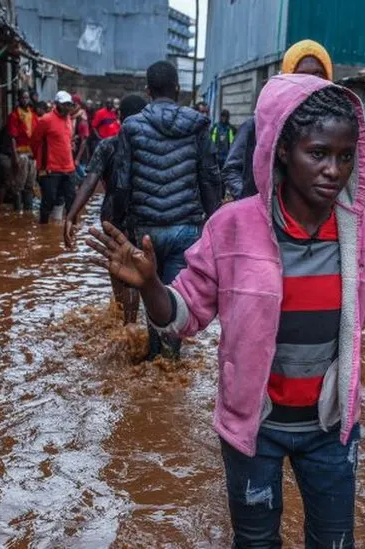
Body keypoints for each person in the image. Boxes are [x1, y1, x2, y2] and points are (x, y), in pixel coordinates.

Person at [87, 74, 365, 546]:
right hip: (252, 429)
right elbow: (185, 316)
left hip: (331, 428)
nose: (333, 171)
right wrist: (154, 284)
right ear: (281, 149)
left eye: (344, 157)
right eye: (317, 153)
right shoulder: (231, 228)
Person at [112, 60, 222, 360]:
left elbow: (121, 183)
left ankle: (152, 359)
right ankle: (169, 362)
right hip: (186, 228)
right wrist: (216, 224)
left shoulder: (131, 127)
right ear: (178, 89)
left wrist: (118, 225)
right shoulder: (198, 124)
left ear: (148, 91)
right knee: (176, 296)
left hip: (144, 229)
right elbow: (210, 177)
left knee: (151, 290)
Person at [64, 94, 147, 324]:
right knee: (137, 271)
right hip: (143, 217)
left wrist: (72, 215)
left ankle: (124, 322)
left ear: (119, 117)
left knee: (117, 267)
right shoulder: (152, 147)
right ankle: (131, 326)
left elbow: (90, 182)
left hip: (112, 217)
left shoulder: (108, 145)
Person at [223, 39, 333, 200]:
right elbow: (231, 169)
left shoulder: (343, 128)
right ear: (288, 78)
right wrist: (250, 202)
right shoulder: (259, 125)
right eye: (301, 75)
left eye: (318, 75)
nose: (311, 82)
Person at [32, 91, 77, 224]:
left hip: (69, 167)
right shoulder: (46, 120)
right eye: (66, 104)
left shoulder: (69, 119)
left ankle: (72, 229)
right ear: (57, 105)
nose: (69, 107)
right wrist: (40, 164)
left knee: (72, 200)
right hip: (51, 168)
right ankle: (44, 229)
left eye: (70, 105)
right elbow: (35, 141)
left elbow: (67, 140)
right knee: (48, 200)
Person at [4, 89, 39, 211]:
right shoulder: (14, 116)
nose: (25, 100)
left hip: (32, 155)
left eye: (27, 97)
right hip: (21, 154)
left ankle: (28, 213)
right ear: (18, 99)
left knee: (30, 185)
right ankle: (17, 212)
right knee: (18, 185)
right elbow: (12, 138)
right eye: (23, 98)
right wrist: (14, 157)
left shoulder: (33, 115)